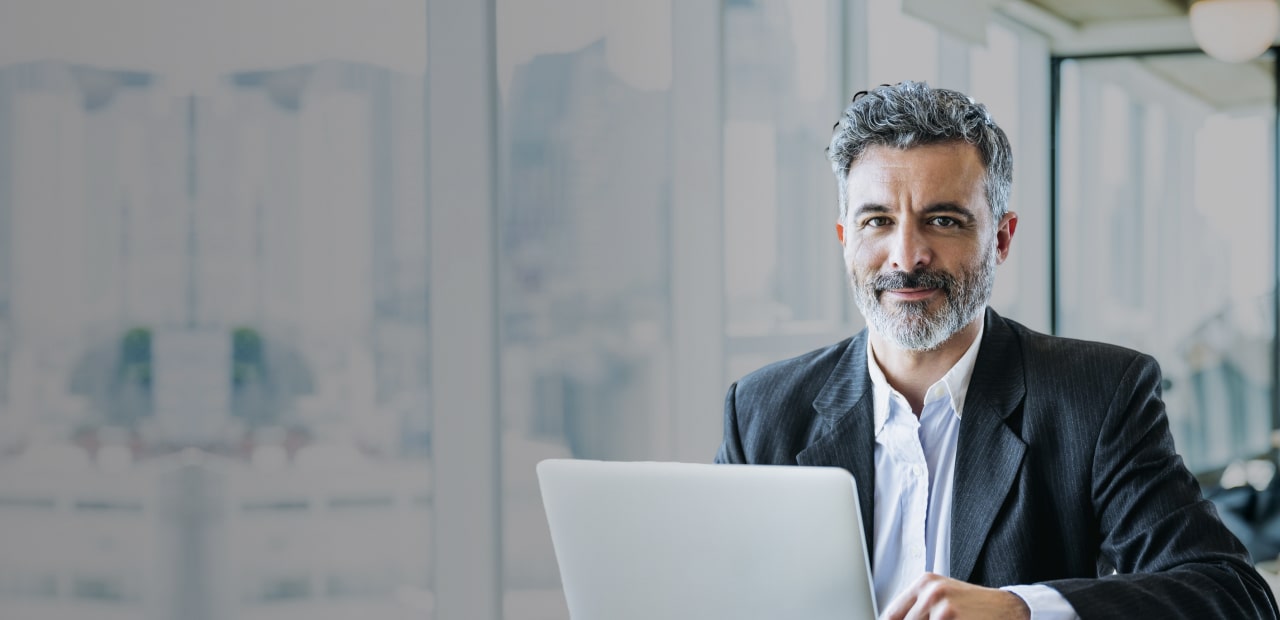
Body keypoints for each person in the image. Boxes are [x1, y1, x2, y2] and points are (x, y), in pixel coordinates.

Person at [714, 81, 1280, 619]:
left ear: (1002, 237)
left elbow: (1230, 596)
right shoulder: (762, 412)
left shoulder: (1099, 394)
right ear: (846, 239)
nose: (906, 256)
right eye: (878, 221)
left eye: (943, 221)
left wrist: (1022, 609)